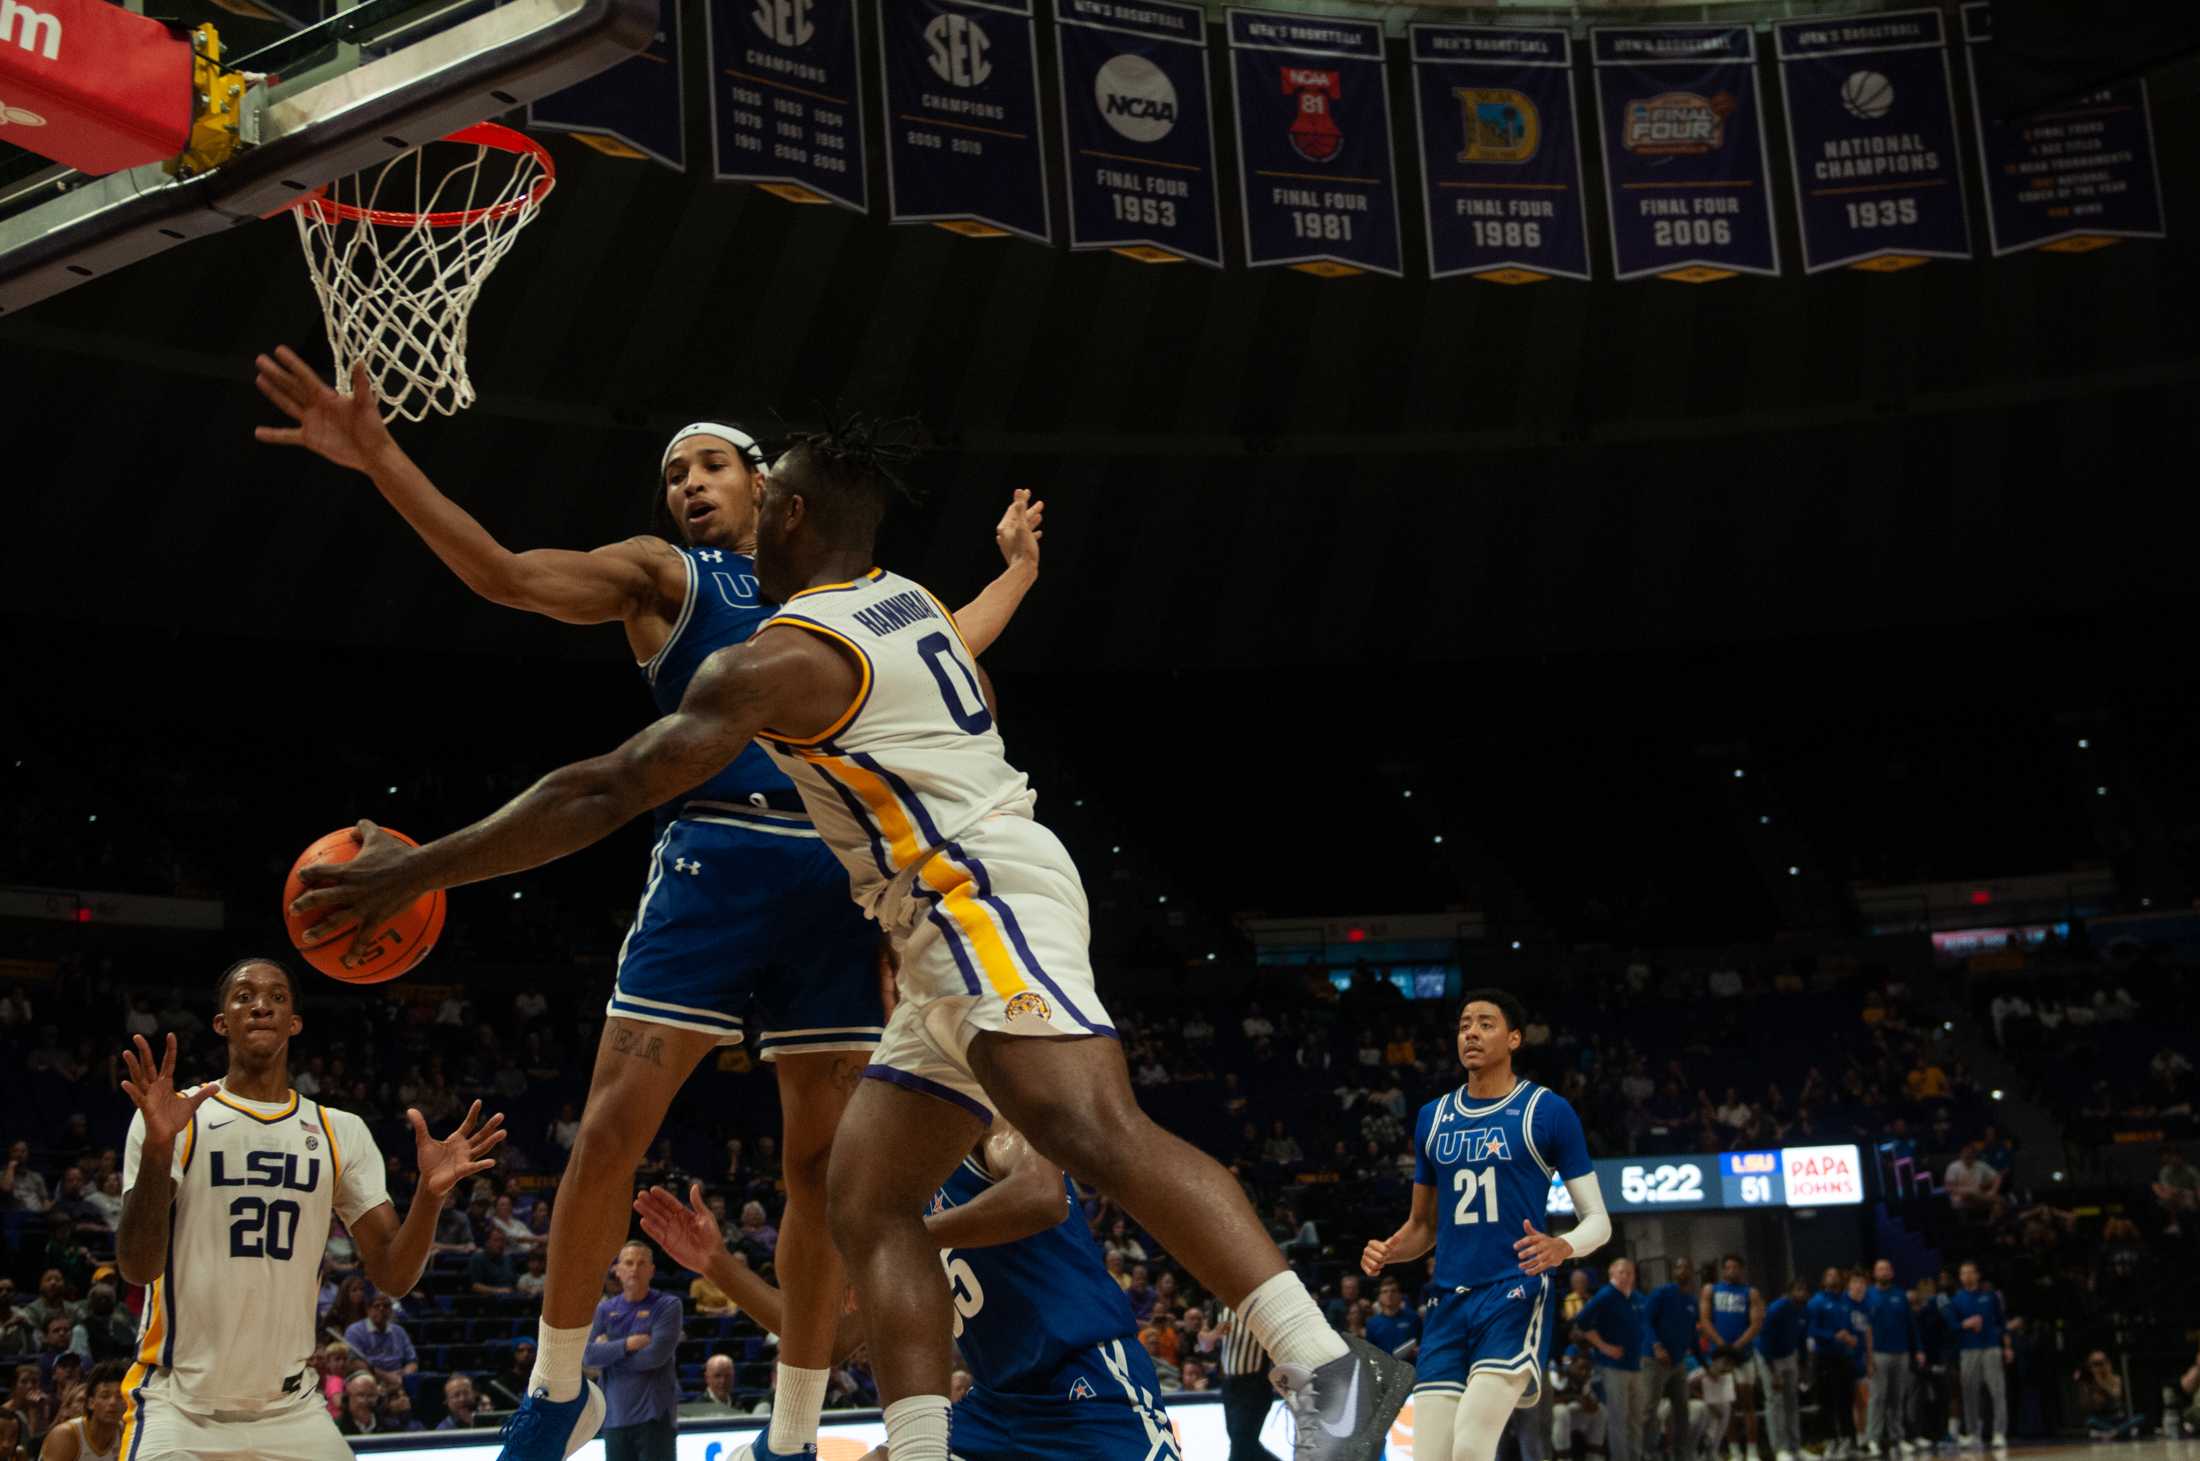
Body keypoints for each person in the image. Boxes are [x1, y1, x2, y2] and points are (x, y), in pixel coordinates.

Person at [288, 420, 1411, 1461]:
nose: (715, 496)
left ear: (785, 516)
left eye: (752, 484)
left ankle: (1330, 1369)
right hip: (927, 928)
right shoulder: (901, 597)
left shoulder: (786, 659)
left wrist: (419, 867)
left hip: (973, 891)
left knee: (1092, 1125)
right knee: (866, 1202)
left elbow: (614, 785)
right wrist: (1016, 572)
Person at [255, 350, 1044, 1461]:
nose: (687, 485)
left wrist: (1016, 572)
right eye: (675, 473)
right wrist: (381, 455)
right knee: (613, 1126)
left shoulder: (847, 600)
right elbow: (503, 573)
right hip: (711, 858)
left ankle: (795, 1429)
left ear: (774, 490)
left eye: (711, 465)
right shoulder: (666, 575)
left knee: (819, 1168)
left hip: (831, 875)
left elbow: (948, 644)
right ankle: (555, 1389)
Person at [111, 958, 505, 1461]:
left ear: (294, 1022)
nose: (261, 1006)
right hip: (179, 1406)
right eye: (244, 996)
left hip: (290, 1407)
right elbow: (137, 1266)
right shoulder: (173, 1116)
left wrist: (429, 1198)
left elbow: (393, 1274)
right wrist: (160, 1148)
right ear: (221, 1022)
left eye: (277, 998)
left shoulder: (340, 1131)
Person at [636, 1116, 1178, 1461]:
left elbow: (1042, 1196)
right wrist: (717, 1265)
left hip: (1088, 1385)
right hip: (996, 1408)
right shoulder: (884, 1194)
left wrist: (903, 1241)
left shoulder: (988, 1119)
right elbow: (824, 1343)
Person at [1361, 991, 1612, 1461]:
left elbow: (1598, 1222)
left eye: (1485, 1024)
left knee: (1472, 1446)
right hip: (1447, 1301)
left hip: (1512, 1292)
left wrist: (1562, 1246)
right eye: (1463, 1025)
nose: (1470, 1033)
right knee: (1429, 1455)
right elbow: (1423, 1227)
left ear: (1514, 1038)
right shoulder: (1432, 1118)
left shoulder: (1548, 1111)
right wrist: (1390, 1251)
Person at [584, 1244, 682, 1461]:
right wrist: (627, 1345)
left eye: (641, 1263)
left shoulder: (668, 1306)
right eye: (628, 1263)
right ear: (617, 1270)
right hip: (615, 1417)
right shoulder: (604, 1310)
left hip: (655, 1417)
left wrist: (609, 1353)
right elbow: (588, 1356)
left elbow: (655, 1357)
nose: (634, 1269)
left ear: (652, 1270)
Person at [1573, 1260, 1645, 1461]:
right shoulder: (1605, 1295)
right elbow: (1582, 1322)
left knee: (1636, 1419)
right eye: (1621, 1272)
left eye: (1630, 1272)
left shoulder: (1637, 1297)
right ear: (1612, 1273)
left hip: (1636, 1365)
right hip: (1613, 1366)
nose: (1626, 1276)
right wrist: (1604, 1346)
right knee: (1618, 1420)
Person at [1698, 1256, 1762, 1461]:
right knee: (1727, 1406)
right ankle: (1733, 1450)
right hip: (1720, 1356)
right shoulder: (1711, 1291)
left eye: (1735, 1267)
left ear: (1741, 1270)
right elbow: (1705, 1321)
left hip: (1743, 1355)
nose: (1731, 1270)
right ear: (1723, 1270)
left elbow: (1755, 1324)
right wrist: (1722, 1344)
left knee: (1748, 1403)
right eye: (1728, 1267)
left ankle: (1752, 1451)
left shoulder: (1750, 1293)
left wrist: (1737, 1346)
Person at [1947, 1263, 2007, 1452]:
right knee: (1969, 1393)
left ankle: (1999, 1433)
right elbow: (1952, 1326)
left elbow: (2002, 1322)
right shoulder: (1956, 1299)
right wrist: (1965, 1324)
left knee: (1997, 1391)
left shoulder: (1990, 1296)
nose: (1967, 1276)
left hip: (1990, 1347)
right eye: (1963, 1273)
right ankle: (1973, 1432)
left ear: (1978, 1275)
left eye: (1970, 1272)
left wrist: (2007, 1346)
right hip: (1968, 1350)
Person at [1642, 1259, 1697, 1461]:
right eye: (1678, 1266)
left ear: (1692, 1272)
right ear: (1673, 1271)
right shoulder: (1662, 1293)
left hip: (1678, 1362)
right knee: (1649, 1408)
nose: (1681, 1270)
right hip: (1654, 1360)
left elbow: (1693, 1336)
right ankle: (1646, 1453)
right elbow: (1646, 1321)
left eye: (1685, 1267)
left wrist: (1706, 1364)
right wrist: (1656, 1346)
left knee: (1682, 1409)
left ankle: (1681, 1454)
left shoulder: (1691, 1301)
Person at [1863, 1260, 1918, 1456]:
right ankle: (1873, 1439)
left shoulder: (1900, 1295)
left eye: (1886, 1269)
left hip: (1901, 1352)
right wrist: (1867, 1357)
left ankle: (1898, 1438)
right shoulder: (1868, 1295)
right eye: (1880, 1269)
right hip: (1878, 1353)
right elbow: (1864, 1327)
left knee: (1897, 1397)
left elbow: (1911, 1324)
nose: (1883, 1272)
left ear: (1892, 1273)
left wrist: (1917, 1349)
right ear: (1874, 1273)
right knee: (1877, 1397)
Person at [1808, 1268, 1861, 1457]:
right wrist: (1833, 1335)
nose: (1833, 1278)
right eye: (1829, 1275)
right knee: (1827, 1402)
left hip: (1845, 1358)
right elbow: (1812, 1330)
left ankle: (1849, 1441)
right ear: (1823, 1280)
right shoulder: (1817, 1302)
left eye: (1836, 1275)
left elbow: (1853, 1327)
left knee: (1846, 1401)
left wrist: (1853, 1338)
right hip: (1825, 1359)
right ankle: (1831, 1440)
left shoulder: (1846, 1302)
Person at [1758, 1279, 1809, 1461]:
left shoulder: (1804, 1310)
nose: (1801, 1293)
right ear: (1789, 1292)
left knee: (1792, 1402)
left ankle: (1795, 1448)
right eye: (1798, 1290)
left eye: (1804, 1290)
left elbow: (1802, 1340)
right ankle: (1779, 1450)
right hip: (1769, 1356)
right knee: (1775, 1402)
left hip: (1790, 1355)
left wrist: (1803, 1367)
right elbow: (1764, 1340)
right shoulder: (1777, 1308)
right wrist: (1774, 1373)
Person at [36, 1358, 123, 1460]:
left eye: (120, 1396)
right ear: (91, 1403)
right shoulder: (65, 1435)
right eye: (105, 1396)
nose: (113, 1402)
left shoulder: (126, 1432)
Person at [342, 1293, 419, 1381]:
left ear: (390, 1310)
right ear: (368, 1309)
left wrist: (404, 1377)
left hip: (399, 1378)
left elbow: (412, 1361)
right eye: (376, 1306)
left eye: (386, 1306)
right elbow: (355, 1363)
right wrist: (387, 1376)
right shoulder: (354, 1331)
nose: (381, 1309)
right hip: (369, 1379)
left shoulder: (399, 1331)